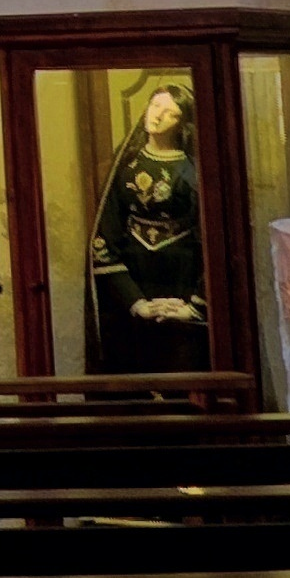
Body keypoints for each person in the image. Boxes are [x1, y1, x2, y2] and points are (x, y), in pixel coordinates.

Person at [86, 81, 207, 371]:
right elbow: (105, 238)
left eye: (170, 113)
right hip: (133, 280)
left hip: (182, 277)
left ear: (183, 123)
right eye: (155, 106)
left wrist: (195, 306)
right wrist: (136, 302)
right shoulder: (126, 165)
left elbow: (212, 239)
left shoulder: (192, 169)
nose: (157, 116)